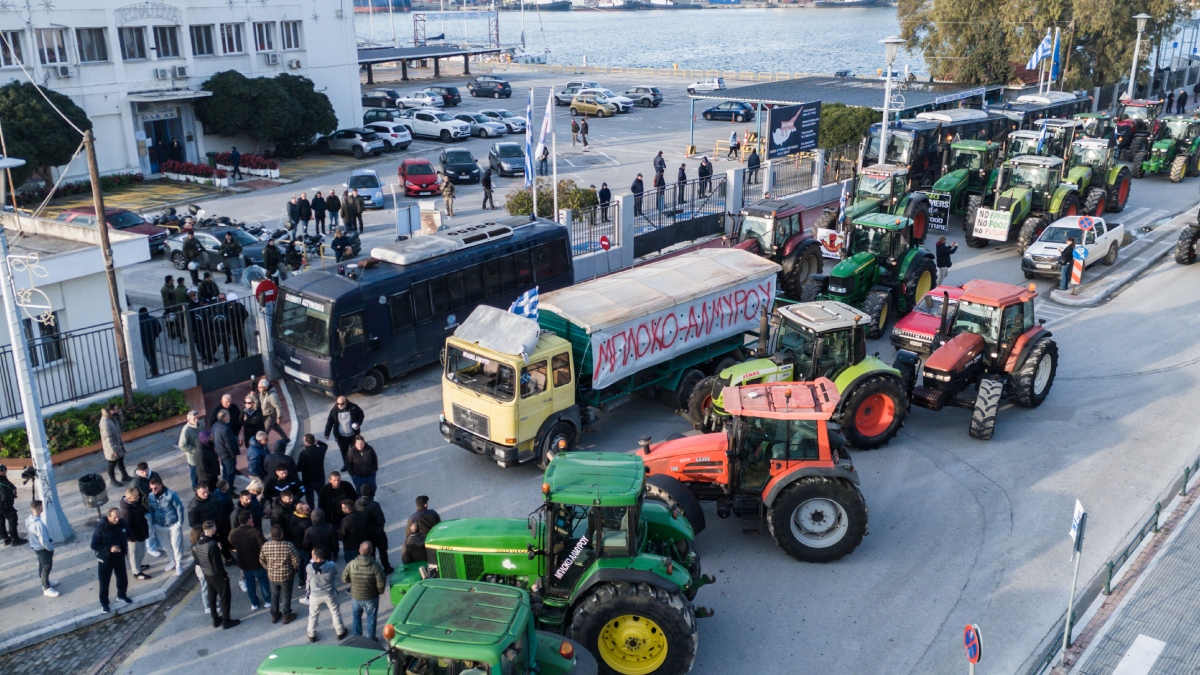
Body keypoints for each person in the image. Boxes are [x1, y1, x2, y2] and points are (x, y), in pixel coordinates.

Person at [196, 520, 241, 629]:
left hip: (207, 573)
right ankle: (226, 620)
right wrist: (224, 576)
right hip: (216, 575)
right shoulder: (211, 545)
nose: (216, 529)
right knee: (225, 596)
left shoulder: (199, 542)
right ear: (210, 529)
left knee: (212, 595)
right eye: (214, 528)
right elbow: (217, 564)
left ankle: (215, 618)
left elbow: (199, 559)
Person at [342, 541, 386, 640]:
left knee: (356, 617)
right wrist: (379, 591)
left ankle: (357, 639)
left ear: (359, 551)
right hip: (371, 597)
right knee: (371, 618)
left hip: (356, 596)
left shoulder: (351, 564)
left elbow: (344, 578)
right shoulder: (376, 566)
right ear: (371, 551)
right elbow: (381, 582)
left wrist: (352, 580)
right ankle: (370, 640)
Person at [91, 507, 132, 614]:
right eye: (115, 517)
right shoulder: (100, 528)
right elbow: (94, 545)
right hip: (105, 559)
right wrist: (109, 548)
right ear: (108, 517)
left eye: (119, 517)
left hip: (119, 557)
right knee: (104, 582)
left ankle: (122, 595)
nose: (117, 519)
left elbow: (128, 533)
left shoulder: (122, 523)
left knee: (122, 578)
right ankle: (104, 603)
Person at [228, 510, 269, 610]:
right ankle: (268, 600)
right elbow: (263, 545)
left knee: (250, 584)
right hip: (257, 563)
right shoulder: (254, 532)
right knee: (264, 581)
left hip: (244, 563)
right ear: (248, 520)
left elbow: (231, 541)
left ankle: (254, 603)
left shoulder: (234, 533)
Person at [260, 524, 300, 624]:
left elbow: (261, 559)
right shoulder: (288, 545)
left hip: (272, 575)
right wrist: (293, 569)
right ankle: (286, 615)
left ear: (271, 535)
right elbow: (296, 560)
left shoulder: (266, 545)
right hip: (286, 575)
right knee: (286, 595)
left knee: (274, 595)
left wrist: (267, 568)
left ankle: (274, 614)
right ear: (281, 535)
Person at [306, 547, 347, 642]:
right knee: (335, 611)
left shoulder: (309, 567)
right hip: (329, 593)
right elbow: (335, 572)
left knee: (313, 614)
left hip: (315, 595)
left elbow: (309, 577)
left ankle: (312, 634)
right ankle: (340, 631)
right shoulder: (332, 565)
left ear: (315, 558)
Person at [147, 477, 186, 577]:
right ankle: (172, 560)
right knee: (166, 545)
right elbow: (151, 510)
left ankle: (178, 564)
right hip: (159, 525)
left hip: (173, 524)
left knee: (176, 545)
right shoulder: (151, 496)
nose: (153, 491)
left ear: (160, 485)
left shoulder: (171, 494)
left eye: (155, 488)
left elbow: (179, 507)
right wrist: (154, 523)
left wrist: (179, 522)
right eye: (151, 489)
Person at [188, 484, 231, 563]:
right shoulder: (194, 506)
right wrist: (205, 528)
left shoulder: (211, 496)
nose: (206, 494)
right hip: (209, 531)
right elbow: (193, 523)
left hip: (219, 525)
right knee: (214, 547)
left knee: (224, 542)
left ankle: (228, 558)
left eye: (207, 492)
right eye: (203, 493)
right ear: (197, 492)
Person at [119, 487, 153, 581]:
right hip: (134, 538)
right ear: (129, 498)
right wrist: (132, 538)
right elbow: (127, 527)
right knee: (134, 555)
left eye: (138, 495)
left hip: (141, 534)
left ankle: (138, 566)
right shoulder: (126, 511)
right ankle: (136, 573)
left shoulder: (134, 503)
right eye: (136, 496)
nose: (138, 497)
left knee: (141, 551)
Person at [356, 484, 391, 574]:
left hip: (366, 534)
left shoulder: (358, 503)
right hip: (378, 533)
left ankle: (373, 570)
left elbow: (359, 518)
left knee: (370, 554)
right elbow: (381, 520)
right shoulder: (374, 505)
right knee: (383, 551)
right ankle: (386, 568)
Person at [324, 397, 364, 471]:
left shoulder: (353, 407)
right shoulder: (334, 410)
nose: (340, 405)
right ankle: (346, 465)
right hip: (341, 437)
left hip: (353, 435)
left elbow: (361, 415)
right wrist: (327, 433)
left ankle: (356, 464)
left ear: (346, 402)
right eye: (338, 403)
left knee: (354, 451)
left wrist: (358, 424)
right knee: (344, 452)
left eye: (342, 403)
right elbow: (330, 421)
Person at [27, 500, 58, 596]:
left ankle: (45, 582)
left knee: (42, 564)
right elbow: (44, 540)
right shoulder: (38, 524)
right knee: (46, 567)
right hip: (42, 548)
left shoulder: (29, 520)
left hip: (35, 547)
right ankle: (46, 587)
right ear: (40, 507)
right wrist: (50, 548)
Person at [399, 494, 441, 564]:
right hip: (433, 541)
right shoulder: (433, 513)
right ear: (425, 505)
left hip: (420, 546)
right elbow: (439, 525)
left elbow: (408, 535)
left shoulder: (412, 518)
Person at [289, 501, 313, 602]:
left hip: (296, 545)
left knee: (300, 564)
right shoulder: (306, 523)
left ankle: (301, 581)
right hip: (305, 547)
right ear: (302, 511)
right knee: (307, 565)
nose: (310, 509)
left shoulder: (293, 517)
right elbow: (308, 537)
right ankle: (307, 581)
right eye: (307, 509)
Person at [101, 405, 131, 486]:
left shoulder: (111, 418)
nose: (118, 410)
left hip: (118, 444)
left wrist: (119, 414)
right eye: (116, 409)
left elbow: (119, 422)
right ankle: (112, 479)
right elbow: (108, 438)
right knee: (112, 463)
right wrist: (113, 450)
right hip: (112, 447)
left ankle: (124, 475)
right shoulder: (105, 423)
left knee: (120, 460)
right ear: (110, 411)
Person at [297, 434, 328, 509]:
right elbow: (325, 445)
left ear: (307, 443)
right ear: (314, 441)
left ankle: (312, 514)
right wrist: (317, 442)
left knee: (310, 500)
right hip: (320, 478)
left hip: (308, 480)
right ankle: (324, 512)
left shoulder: (303, 454)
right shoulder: (320, 450)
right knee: (322, 497)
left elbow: (299, 468)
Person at [255, 378, 289, 445]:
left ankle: (263, 446)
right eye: (258, 387)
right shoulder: (262, 393)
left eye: (260, 387)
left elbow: (278, 406)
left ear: (265, 387)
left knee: (264, 432)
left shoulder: (272, 396)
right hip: (264, 414)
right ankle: (286, 439)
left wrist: (279, 417)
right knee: (276, 427)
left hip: (270, 416)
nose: (258, 388)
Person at [212, 409, 240, 487]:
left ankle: (225, 486)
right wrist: (233, 454)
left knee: (225, 471)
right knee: (230, 473)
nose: (229, 418)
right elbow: (229, 444)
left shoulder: (215, 425)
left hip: (221, 453)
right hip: (228, 455)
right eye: (228, 416)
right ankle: (229, 488)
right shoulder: (225, 429)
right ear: (224, 418)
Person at [338, 500, 368, 565]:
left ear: (348, 509)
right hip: (362, 545)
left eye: (343, 508)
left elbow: (341, 536)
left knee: (352, 566)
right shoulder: (361, 515)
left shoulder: (346, 520)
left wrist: (338, 533)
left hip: (350, 548)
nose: (341, 509)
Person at [178, 411, 202, 490]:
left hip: (202, 453)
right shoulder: (186, 430)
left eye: (197, 418)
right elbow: (182, 445)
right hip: (193, 457)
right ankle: (195, 486)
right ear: (188, 419)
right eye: (194, 418)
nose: (196, 420)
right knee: (194, 472)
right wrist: (195, 450)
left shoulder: (200, 425)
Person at [137, 308, 162, 378]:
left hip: (143, 340)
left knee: (148, 355)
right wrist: (155, 334)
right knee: (152, 354)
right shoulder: (152, 318)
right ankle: (154, 369)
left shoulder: (138, 321)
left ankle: (154, 369)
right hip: (152, 339)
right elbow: (159, 328)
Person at [0, 464, 20, 545]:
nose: (5, 471)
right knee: (12, 520)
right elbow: (5, 497)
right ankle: (14, 539)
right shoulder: (2, 483)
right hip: (4, 506)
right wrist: (9, 507)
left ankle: (5, 538)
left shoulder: (3, 479)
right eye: (4, 470)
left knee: (1, 522)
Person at [160, 276, 179, 340]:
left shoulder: (172, 286)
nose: (173, 281)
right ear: (169, 281)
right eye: (172, 280)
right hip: (169, 308)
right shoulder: (164, 289)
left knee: (175, 321)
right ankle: (171, 334)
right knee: (170, 322)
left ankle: (176, 333)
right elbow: (166, 300)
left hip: (174, 305)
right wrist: (171, 308)